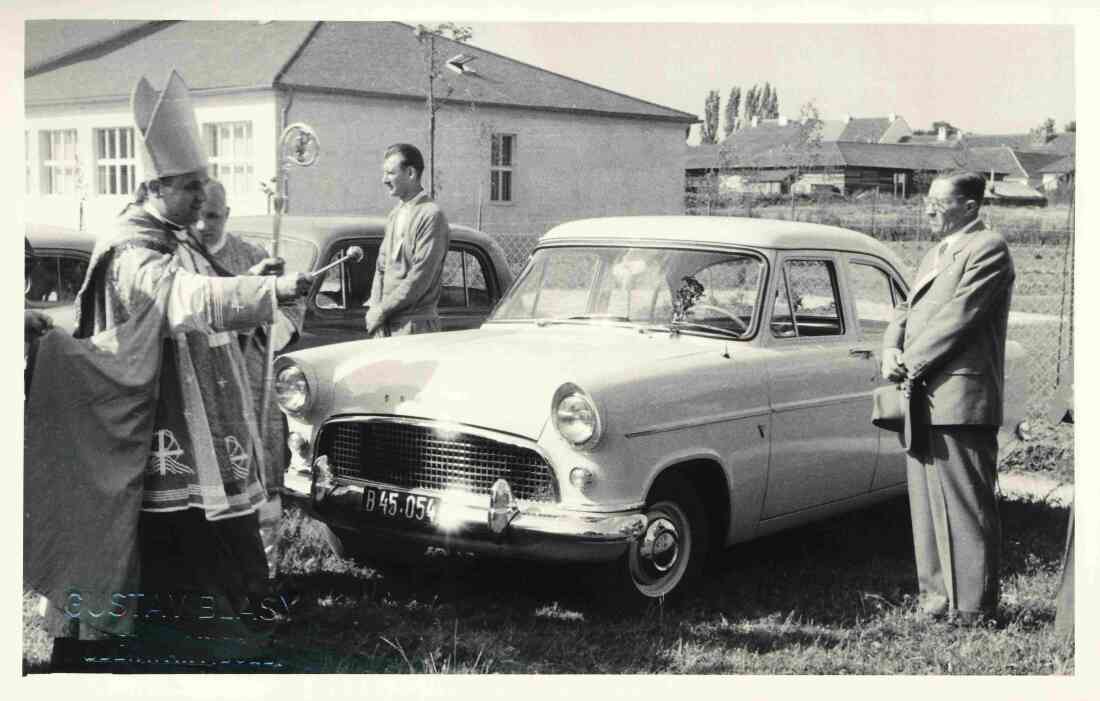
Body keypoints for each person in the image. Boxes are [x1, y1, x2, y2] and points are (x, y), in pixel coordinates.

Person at [24, 71, 311, 668]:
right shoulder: (133, 250)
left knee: (207, 540)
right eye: (189, 188)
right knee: (163, 542)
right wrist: (272, 290)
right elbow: (183, 300)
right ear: (155, 187)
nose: (202, 199)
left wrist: (257, 288)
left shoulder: (172, 234)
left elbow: (207, 294)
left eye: (201, 186)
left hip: (194, 421)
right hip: (150, 428)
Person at [881, 171, 1015, 626]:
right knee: (925, 506)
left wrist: (910, 362)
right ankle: (936, 601)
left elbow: (961, 318)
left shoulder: (988, 248)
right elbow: (907, 308)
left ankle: (974, 609)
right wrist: (889, 348)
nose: (929, 208)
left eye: (941, 201)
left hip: (960, 396)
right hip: (923, 394)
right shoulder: (936, 253)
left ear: (971, 207)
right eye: (928, 200)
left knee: (965, 505)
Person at [196, 178, 306, 574]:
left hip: (250, 381)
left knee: (261, 475)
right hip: (206, 390)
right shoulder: (184, 260)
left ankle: (265, 572)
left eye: (212, 216)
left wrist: (272, 320)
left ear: (225, 215)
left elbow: (292, 311)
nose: (204, 225)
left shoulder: (251, 254)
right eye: (198, 215)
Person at [364, 143, 450, 338]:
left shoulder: (431, 215)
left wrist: (381, 310)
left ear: (410, 173)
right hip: (385, 325)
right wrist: (374, 309)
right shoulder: (395, 214)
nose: (384, 180)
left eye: (390, 173)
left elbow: (420, 277)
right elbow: (381, 268)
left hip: (415, 329)